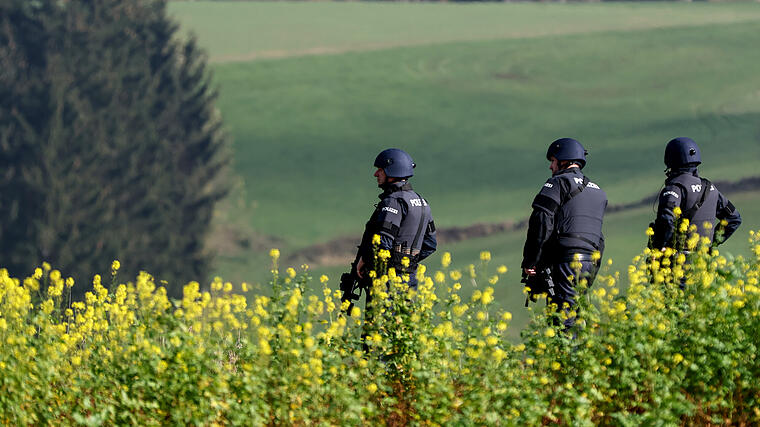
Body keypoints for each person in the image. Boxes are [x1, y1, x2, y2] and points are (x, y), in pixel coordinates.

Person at [521, 138, 607, 327]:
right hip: (590, 262)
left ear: (564, 160)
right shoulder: (598, 192)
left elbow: (541, 221)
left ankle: (565, 355)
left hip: (565, 261)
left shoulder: (558, 183)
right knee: (579, 315)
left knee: (562, 321)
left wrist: (531, 261)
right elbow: (599, 237)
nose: (551, 166)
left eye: (553, 161)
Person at [344, 148, 437, 307]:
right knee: (403, 328)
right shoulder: (422, 203)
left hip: (387, 283)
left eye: (379, 170)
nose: (376, 174)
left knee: (378, 329)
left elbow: (383, 242)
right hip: (410, 281)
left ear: (392, 171)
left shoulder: (393, 202)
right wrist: (406, 264)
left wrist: (366, 261)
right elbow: (430, 245)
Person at [651, 137, 741, 253]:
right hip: (704, 263)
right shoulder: (710, 188)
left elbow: (667, 220)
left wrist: (659, 248)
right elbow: (734, 219)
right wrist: (709, 244)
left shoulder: (675, 188)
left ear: (670, 160)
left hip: (677, 263)